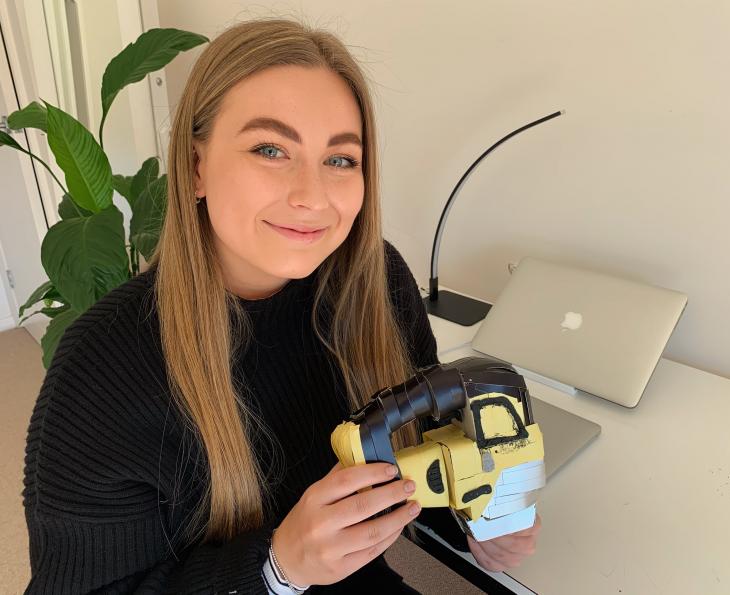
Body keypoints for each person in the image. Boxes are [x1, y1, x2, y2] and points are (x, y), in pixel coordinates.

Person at [22, 18, 540, 594]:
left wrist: (477, 514)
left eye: (340, 159)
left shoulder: (376, 283)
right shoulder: (104, 367)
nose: (312, 196)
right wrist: (276, 569)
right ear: (196, 167)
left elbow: (415, 452)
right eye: (270, 149)